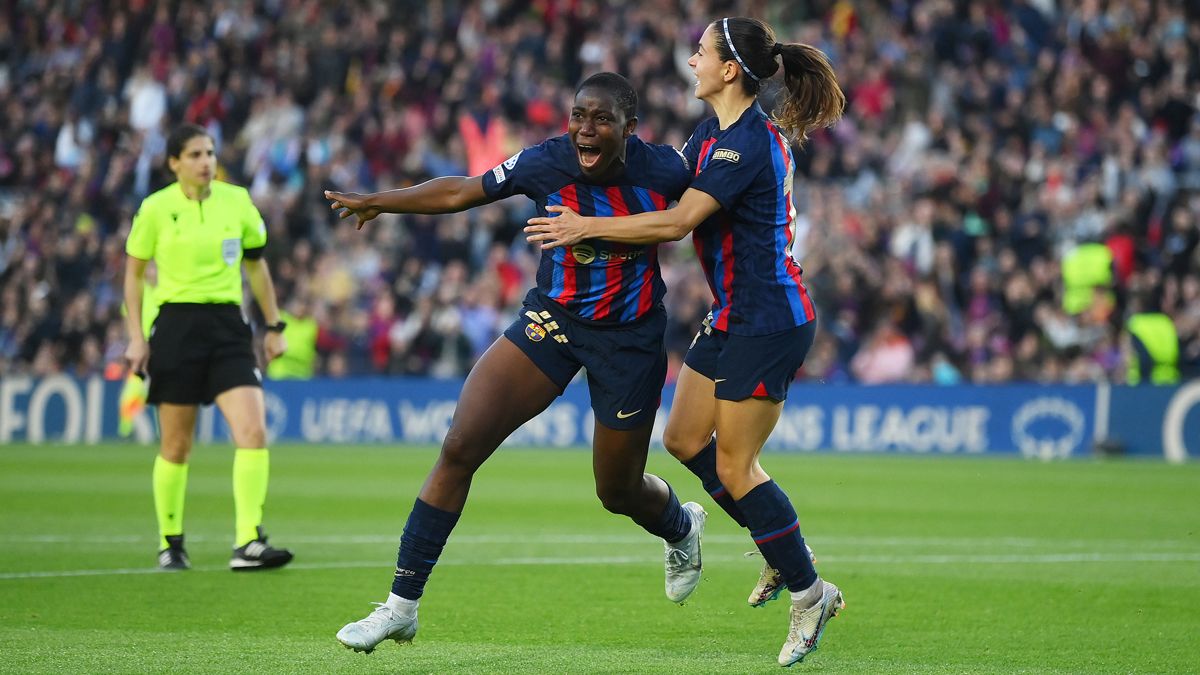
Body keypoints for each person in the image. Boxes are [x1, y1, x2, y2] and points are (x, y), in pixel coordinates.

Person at [326, 73, 703, 654]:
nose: (585, 128)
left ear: (630, 128)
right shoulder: (546, 162)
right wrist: (382, 200)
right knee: (459, 446)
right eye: (579, 114)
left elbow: (711, 216)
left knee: (617, 490)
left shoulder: (666, 172)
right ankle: (400, 606)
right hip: (552, 323)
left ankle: (680, 524)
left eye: (602, 119)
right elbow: (463, 191)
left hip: (630, 341)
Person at [525, 18, 846, 667]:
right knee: (682, 439)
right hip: (734, 313)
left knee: (734, 466)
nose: (691, 59)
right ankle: (779, 548)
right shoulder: (711, 134)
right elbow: (667, 185)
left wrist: (589, 224)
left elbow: (676, 221)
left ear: (730, 69)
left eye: (700, 51)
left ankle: (811, 591)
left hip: (769, 319)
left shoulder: (746, 143)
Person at [124, 123, 294, 572]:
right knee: (177, 446)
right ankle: (170, 542)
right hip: (176, 326)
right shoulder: (156, 209)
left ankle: (247, 542)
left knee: (253, 432)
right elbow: (134, 274)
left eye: (211, 153)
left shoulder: (236, 201)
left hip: (227, 326)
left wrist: (273, 325)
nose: (206, 162)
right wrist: (137, 338)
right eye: (196, 154)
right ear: (174, 162)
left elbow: (256, 268)